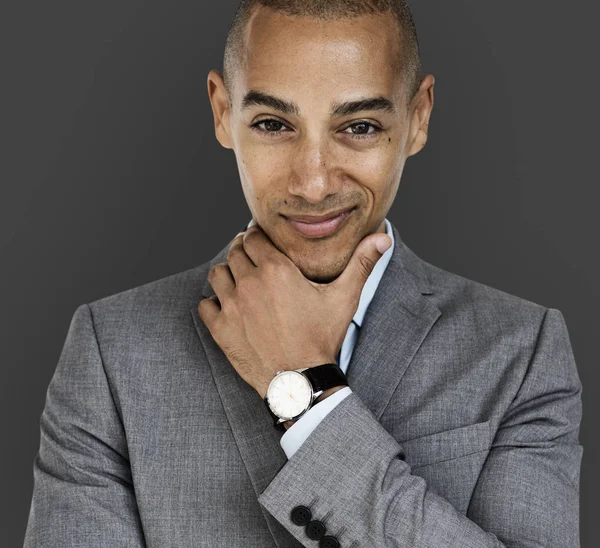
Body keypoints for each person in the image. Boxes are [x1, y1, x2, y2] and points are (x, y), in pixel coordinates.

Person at [24, 1, 583, 547]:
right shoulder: (112, 351)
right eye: (273, 124)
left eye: (359, 127)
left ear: (418, 118)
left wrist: (309, 396)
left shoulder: (521, 352)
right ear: (223, 111)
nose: (313, 184)